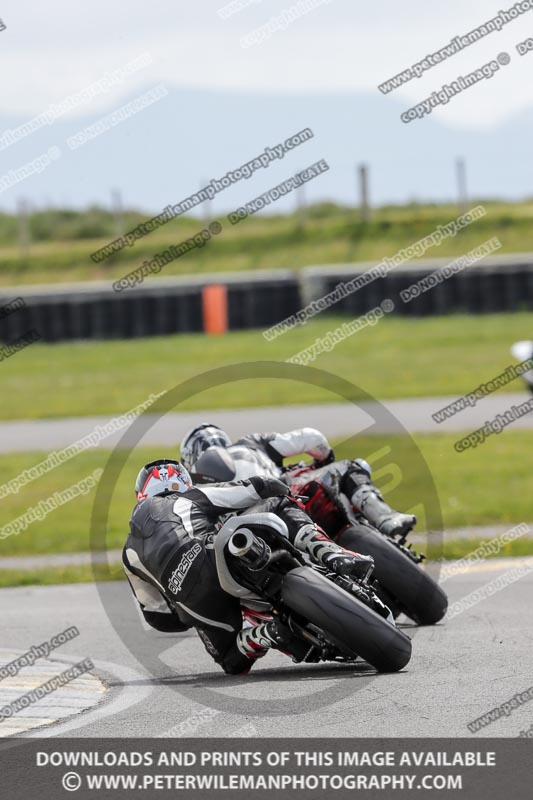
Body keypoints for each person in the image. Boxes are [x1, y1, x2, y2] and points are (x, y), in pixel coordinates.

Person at [123, 458, 373, 675]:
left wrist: (188, 613)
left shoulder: (128, 552)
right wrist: (285, 490)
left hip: (194, 604)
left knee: (230, 661)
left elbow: (157, 617)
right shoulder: (189, 497)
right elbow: (255, 487)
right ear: (182, 482)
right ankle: (332, 553)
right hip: (212, 558)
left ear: (141, 492)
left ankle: (268, 633)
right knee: (277, 502)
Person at [180, 424, 416, 538]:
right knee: (349, 468)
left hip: (249, 534)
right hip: (292, 497)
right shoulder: (251, 443)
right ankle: (385, 517)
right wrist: (324, 460)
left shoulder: (193, 490)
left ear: (189, 460)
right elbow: (313, 438)